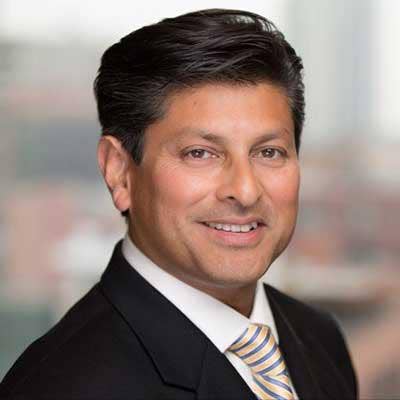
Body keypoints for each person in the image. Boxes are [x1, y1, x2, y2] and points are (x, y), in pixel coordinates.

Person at [0, 9, 358, 400]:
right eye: (200, 153)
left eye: (269, 152)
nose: (245, 190)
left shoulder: (318, 338)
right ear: (119, 172)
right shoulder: (63, 387)